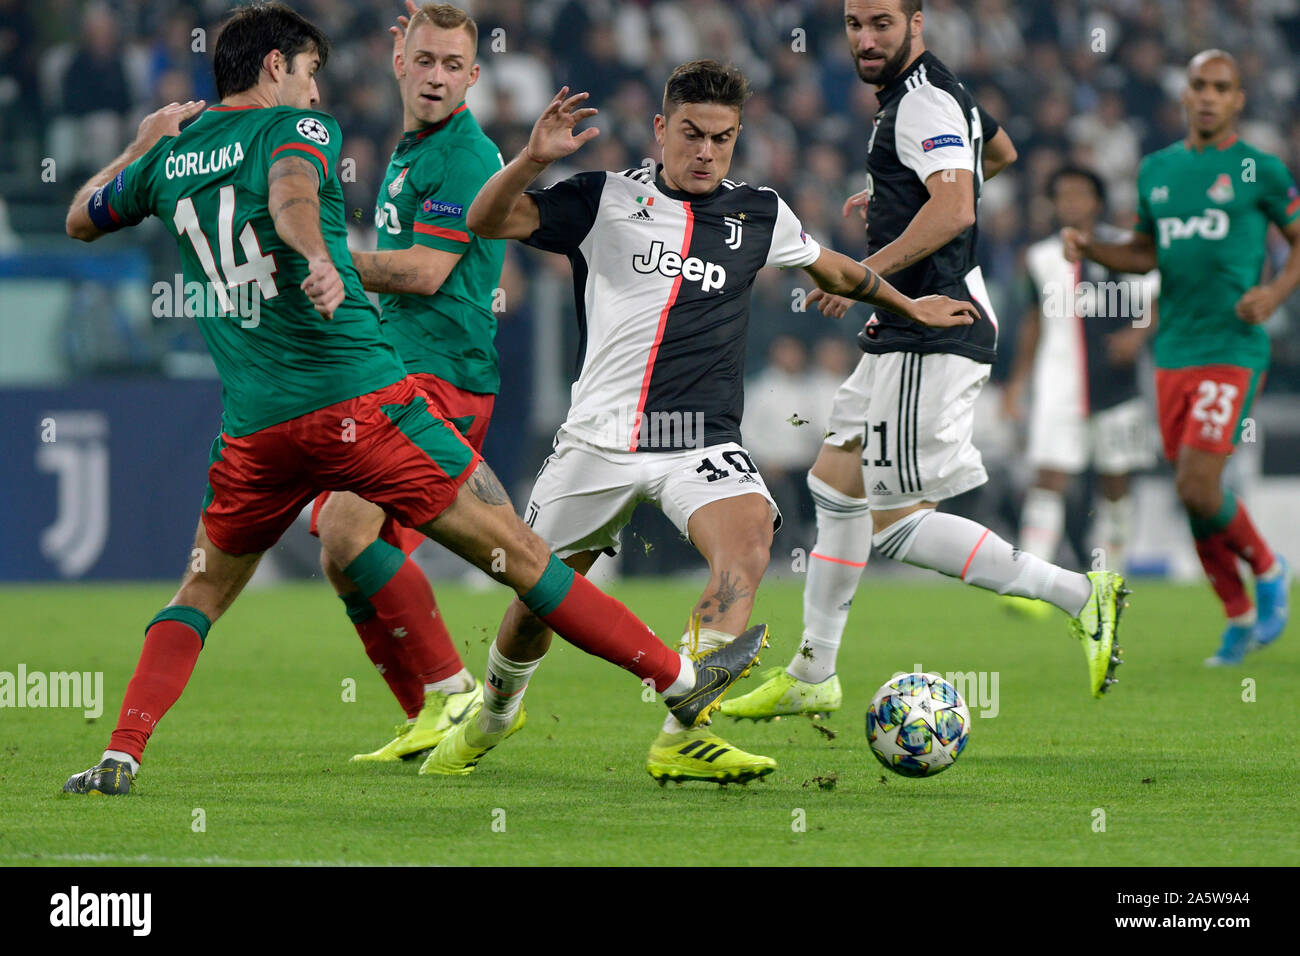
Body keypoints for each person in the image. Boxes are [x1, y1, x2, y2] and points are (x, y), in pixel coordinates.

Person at [60, 2, 768, 796]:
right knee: (514, 555)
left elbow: (82, 217)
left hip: (263, 425)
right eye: (309, 72)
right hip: (359, 402)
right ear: (275, 70)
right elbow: (294, 189)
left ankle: (121, 751)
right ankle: (669, 681)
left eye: (450, 63)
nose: (319, 91)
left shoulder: (175, 157)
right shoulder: (302, 132)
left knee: (212, 584)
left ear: (469, 74)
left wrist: (145, 143)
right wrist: (313, 254)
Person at [420, 59, 978, 784]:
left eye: (723, 137)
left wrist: (908, 305)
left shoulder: (761, 214)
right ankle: (495, 711)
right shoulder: (602, 199)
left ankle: (685, 730)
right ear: (660, 129)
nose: (707, 151)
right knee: (539, 601)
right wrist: (531, 158)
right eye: (691, 134)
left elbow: (832, 269)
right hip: (599, 439)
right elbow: (485, 220)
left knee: (746, 541)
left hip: (701, 442)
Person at [723, 0, 1128, 723]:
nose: (865, 37)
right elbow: (994, 158)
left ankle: (1079, 594)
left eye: (881, 22)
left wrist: (865, 271)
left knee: (899, 524)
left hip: (931, 325)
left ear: (918, 23)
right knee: (836, 484)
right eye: (854, 24)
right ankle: (815, 669)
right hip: (906, 325)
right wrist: (900, 194)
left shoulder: (923, 100)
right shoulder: (943, 93)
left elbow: (958, 208)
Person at [310, 3, 505, 763]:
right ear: (399, 59)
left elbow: (425, 272)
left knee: (347, 530)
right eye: (425, 60)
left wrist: (330, 262)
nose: (436, 77)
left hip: (443, 376)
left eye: (453, 66)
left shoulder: (464, 155)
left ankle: (458, 694)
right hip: (399, 371)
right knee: (339, 546)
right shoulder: (412, 147)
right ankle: (430, 707)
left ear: (474, 77)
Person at [1065, 50, 1298, 666]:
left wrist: (1273, 293)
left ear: (1239, 99)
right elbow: (1146, 253)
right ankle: (1236, 613)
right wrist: (1094, 246)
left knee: (1199, 482)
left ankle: (1270, 570)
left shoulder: (1260, 171)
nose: (1208, 96)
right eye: (1199, 85)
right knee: (1191, 491)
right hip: (1172, 352)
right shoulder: (1157, 172)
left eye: (1222, 87)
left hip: (1232, 348)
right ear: (1185, 94)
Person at [1002, 165, 1157, 593]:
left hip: (1117, 388)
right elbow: (1032, 323)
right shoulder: (1038, 257)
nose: (1071, 202)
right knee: (1047, 478)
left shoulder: (1127, 247)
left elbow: (1159, 298)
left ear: (1097, 201)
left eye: (1080, 194)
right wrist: (1018, 383)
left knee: (1115, 485)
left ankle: (1111, 579)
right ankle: (1031, 583)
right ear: (1052, 204)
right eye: (1062, 195)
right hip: (1058, 385)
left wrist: (1137, 336)